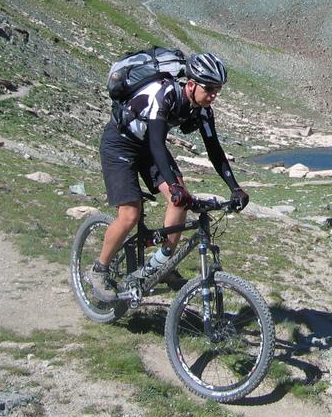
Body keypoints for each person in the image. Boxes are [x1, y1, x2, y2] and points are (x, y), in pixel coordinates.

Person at [88, 51, 249, 301]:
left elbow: (215, 150)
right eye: (210, 89)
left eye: (218, 89)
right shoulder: (163, 94)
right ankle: (100, 269)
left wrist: (235, 187)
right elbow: (156, 143)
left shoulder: (203, 110)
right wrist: (173, 185)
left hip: (149, 148)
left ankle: (163, 264)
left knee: (180, 198)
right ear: (192, 84)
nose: (214, 95)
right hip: (120, 145)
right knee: (130, 213)